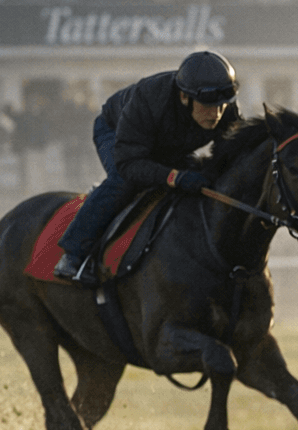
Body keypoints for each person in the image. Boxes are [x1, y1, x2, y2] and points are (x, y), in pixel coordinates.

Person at [53, 50, 241, 286]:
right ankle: (73, 256)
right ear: (185, 97)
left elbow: (231, 156)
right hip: (117, 133)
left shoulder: (225, 109)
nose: (216, 114)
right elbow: (129, 163)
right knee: (124, 181)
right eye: (206, 106)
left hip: (167, 144)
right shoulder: (149, 98)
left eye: (221, 106)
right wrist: (174, 177)